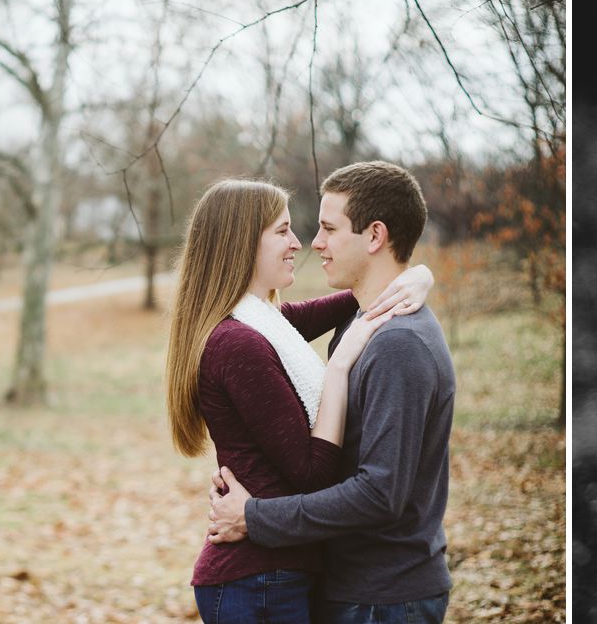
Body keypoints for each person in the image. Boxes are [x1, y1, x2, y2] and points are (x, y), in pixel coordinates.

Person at [165, 178, 435, 624]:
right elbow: (312, 474)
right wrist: (338, 368)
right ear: (241, 242)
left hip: (272, 574)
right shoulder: (239, 342)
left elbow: (359, 293)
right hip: (258, 581)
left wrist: (418, 275)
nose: (297, 243)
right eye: (281, 231)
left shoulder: (264, 322)